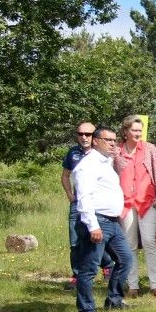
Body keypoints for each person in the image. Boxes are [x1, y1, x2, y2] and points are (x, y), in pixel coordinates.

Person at [72, 127, 133, 312]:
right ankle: (85, 311)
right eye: (108, 140)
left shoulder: (106, 163)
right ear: (96, 141)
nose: (113, 144)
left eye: (115, 140)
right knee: (89, 269)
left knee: (126, 259)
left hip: (112, 223)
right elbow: (83, 197)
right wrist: (93, 225)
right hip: (97, 221)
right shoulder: (88, 165)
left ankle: (114, 299)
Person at [115, 115, 156, 299]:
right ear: (125, 131)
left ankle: (155, 286)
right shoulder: (117, 152)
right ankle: (133, 286)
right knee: (129, 245)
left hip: (147, 202)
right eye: (134, 130)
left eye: (140, 130)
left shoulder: (149, 149)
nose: (138, 133)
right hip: (125, 204)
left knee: (149, 242)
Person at [62, 121, 112, 289]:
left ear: (95, 137)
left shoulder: (103, 154)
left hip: (98, 205)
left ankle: (108, 267)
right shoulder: (73, 153)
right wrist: (70, 196)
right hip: (78, 204)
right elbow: (65, 176)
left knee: (100, 238)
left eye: (88, 134)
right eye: (80, 134)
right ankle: (77, 276)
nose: (83, 137)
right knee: (75, 241)